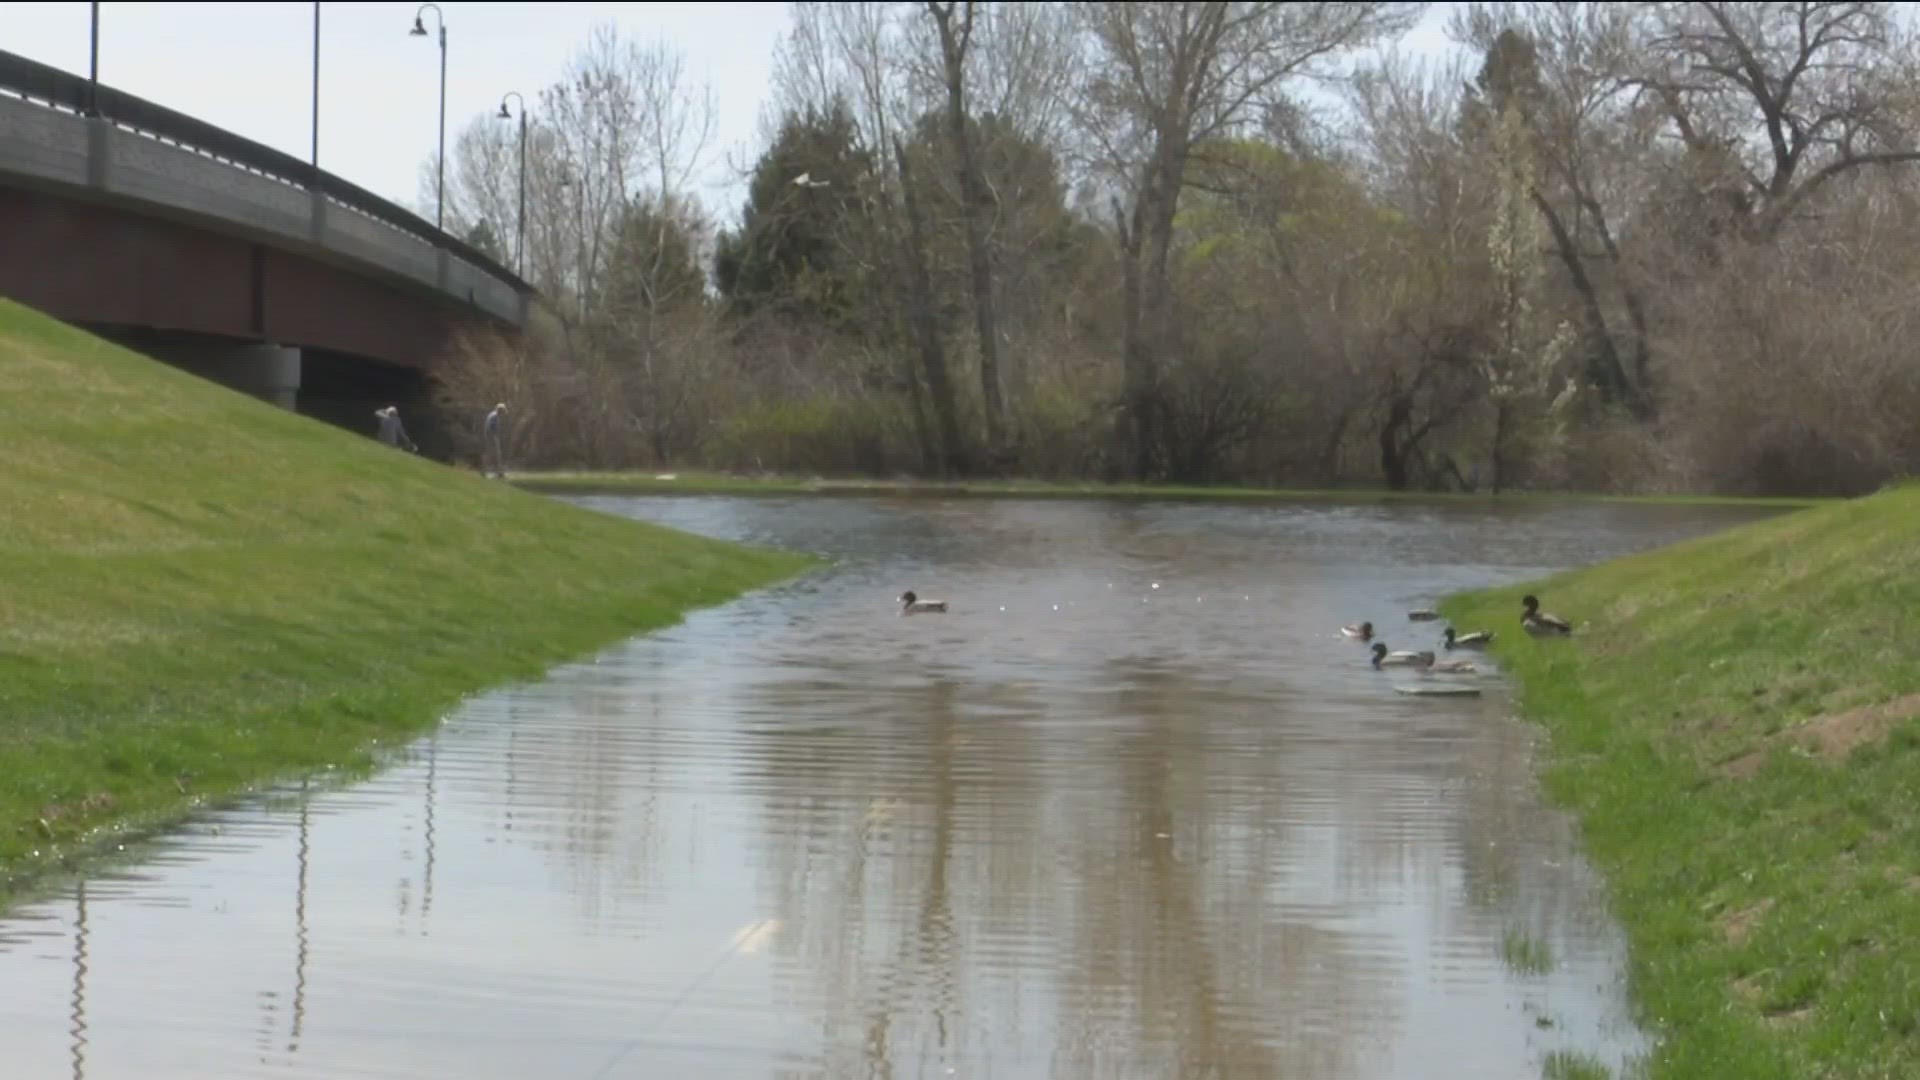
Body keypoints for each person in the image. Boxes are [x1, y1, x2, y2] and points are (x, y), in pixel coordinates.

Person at [482, 402, 509, 478]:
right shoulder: (494, 416)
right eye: (503, 411)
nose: (503, 413)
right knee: (496, 455)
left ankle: (486, 471)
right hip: (492, 437)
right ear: (500, 410)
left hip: (491, 437)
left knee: (492, 454)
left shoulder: (493, 414)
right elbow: (491, 427)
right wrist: (494, 437)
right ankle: (499, 473)